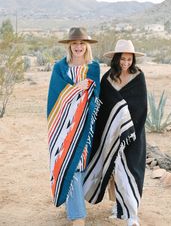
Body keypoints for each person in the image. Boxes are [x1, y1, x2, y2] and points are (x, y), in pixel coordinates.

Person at [84, 39, 147, 226]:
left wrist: (125, 126)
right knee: (114, 172)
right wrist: (113, 124)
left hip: (132, 135)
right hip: (110, 135)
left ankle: (132, 215)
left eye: (129, 59)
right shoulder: (108, 78)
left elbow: (141, 107)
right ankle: (119, 207)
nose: (126, 63)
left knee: (130, 172)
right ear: (116, 59)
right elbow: (102, 107)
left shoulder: (138, 77)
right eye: (123, 59)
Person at [47, 27, 100, 226]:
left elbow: (96, 96)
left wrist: (90, 88)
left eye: (81, 44)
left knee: (78, 164)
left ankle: (73, 207)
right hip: (62, 127)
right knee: (67, 164)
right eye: (75, 43)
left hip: (85, 126)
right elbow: (54, 96)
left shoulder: (93, 67)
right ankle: (78, 216)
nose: (78, 47)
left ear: (86, 46)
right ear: (69, 46)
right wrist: (75, 89)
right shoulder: (60, 67)